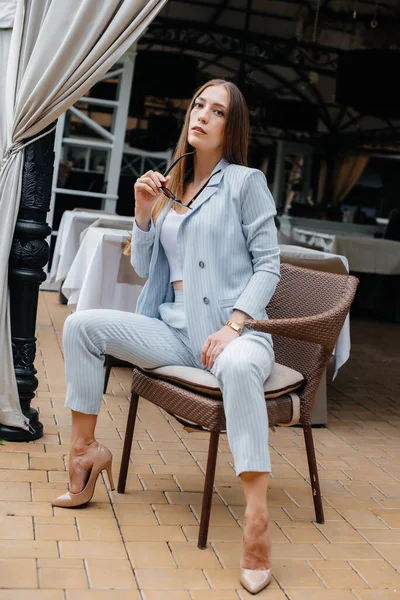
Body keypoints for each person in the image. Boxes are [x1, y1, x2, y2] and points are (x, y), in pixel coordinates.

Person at [53, 79, 280, 595]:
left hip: (231, 334)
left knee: (242, 366)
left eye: (216, 110)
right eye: (197, 103)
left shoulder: (246, 183)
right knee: (82, 325)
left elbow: (269, 267)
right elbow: (145, 269)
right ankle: (86, 456)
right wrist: (142, 211)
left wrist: (234, 325)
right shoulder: (171, 184)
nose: (201, 115)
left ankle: (257, 522)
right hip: (171, 330)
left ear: (232, 126)